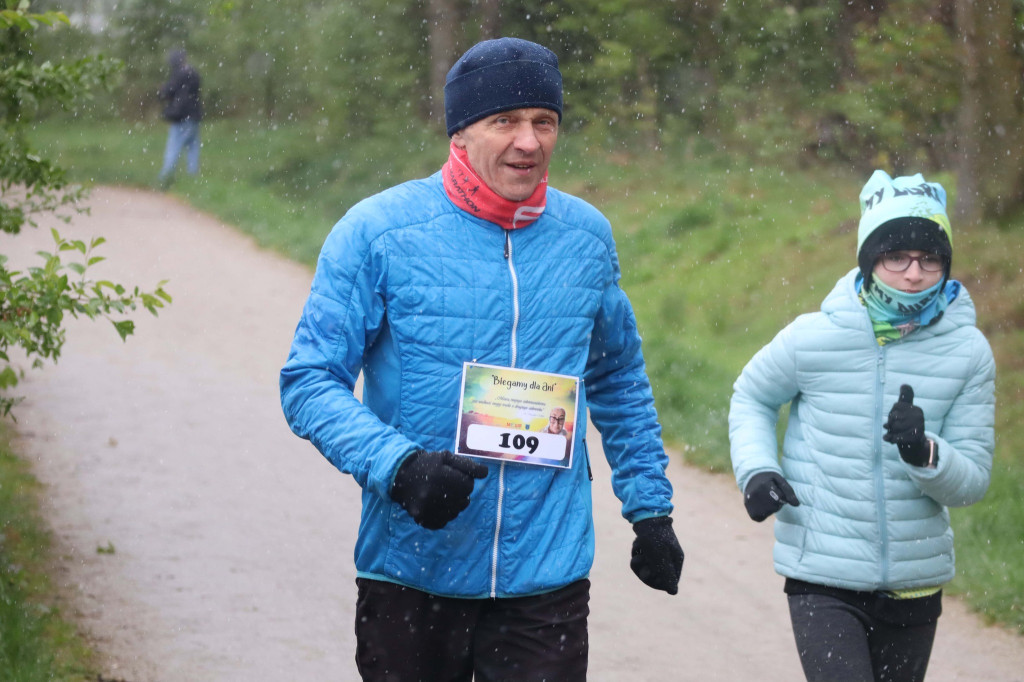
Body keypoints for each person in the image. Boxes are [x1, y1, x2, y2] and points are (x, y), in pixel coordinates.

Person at [279, 37, 684, 682]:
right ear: (461, 133)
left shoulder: (586, 239)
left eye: (544, 122)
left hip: (545, 581)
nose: (529, 141)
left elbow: (617, 377)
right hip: (414, 570)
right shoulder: (378, 232)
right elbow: (308, 382)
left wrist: (650, 510)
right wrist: (399, 465)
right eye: (506, 121)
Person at [728, 170, 995, 682]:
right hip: (821, 573)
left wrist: (925, 452)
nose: (913, 274)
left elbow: (974, 480)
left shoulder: (969, 352)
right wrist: (758, 469)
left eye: (930, 259)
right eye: (896, 257)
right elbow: (752, 397)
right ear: (870, 260)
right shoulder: (813, 337)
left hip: (916, 581)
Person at [157, 48, 202, 187]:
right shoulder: (193, 73)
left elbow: (167, 92)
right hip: (194, 115)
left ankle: (165, 177)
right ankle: (192, 177)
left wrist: (162, 90)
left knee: (174, 146)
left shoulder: (179, 75)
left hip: (181, 116)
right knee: (193, 147)